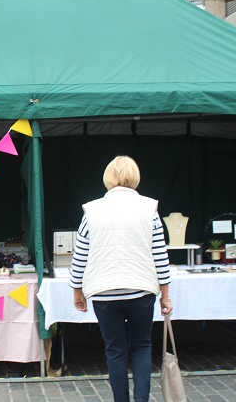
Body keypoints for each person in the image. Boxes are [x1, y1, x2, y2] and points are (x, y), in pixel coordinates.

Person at [69, 155, 173, 402]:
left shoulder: (91, 211)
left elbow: (80, 257)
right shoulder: (150, 210)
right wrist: (166, 295)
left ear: (107, 178)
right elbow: (160, 256)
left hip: (104, 291)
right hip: (141, 290)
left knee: (115, 351)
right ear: (135, 177)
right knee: (142, 346)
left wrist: (77, 291)